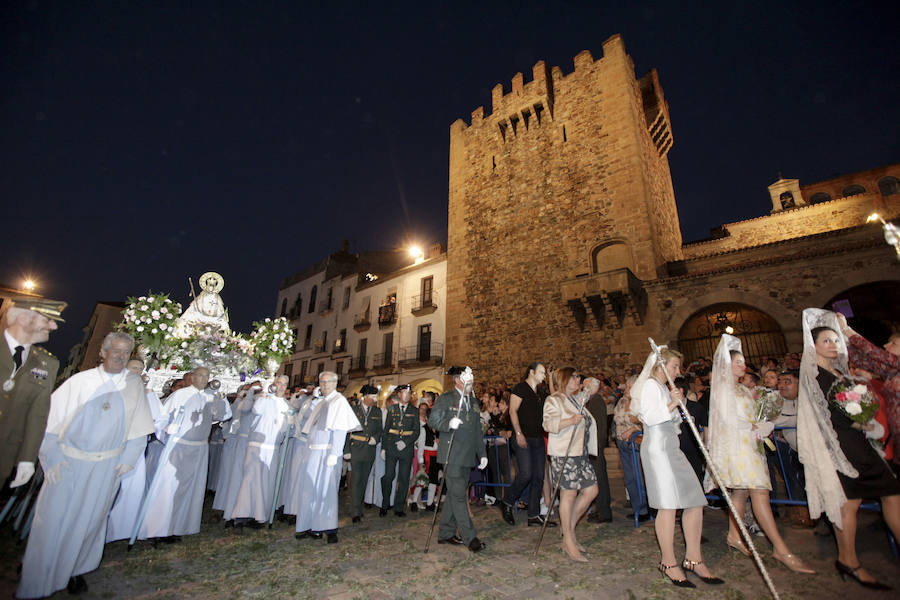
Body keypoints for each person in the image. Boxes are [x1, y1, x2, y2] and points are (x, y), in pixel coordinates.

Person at [18, 332, 153, 598]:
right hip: (70, 463)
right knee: (53, 520)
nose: (120, 356)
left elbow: (139, 430)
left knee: (90, 520)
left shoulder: (133, 385)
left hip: (107, 467)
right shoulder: (80, 382)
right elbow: (49, 424)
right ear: (102, 352)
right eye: (115, 350)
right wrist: (53, 458)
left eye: (126, 352)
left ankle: (74, 569)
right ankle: (39, 573)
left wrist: (128, 459)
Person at [798, 309, 900, 590]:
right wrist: (858, 423)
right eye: (826, 341)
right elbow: (827, 412)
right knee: (849, 503)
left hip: (861, 442)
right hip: (842, 444)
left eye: (835, 340)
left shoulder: (841, 373)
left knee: (892, 492)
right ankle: (849, 559)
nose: (833, 345)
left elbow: (854, 403)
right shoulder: (815, 374)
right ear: (814, 346)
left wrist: (867, 420)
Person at [705, 334, 813, 574]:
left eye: (743, 361)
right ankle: (781, 549)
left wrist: (766, 422)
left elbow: (753, 414)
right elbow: (726, 421)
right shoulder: (722, 390)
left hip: (752, 446)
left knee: (742, 493)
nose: (743, 366)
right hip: (740, 447)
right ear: (726, 365)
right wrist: (754, 427)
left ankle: (734, 535)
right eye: (737, 362)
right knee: (760, 494)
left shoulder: (744, 389)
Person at [632, 346, 721, 588]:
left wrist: (682, 414)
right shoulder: (650, 385)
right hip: (658, 449)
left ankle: (694, 558)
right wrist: (673, 404)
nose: (677, 371)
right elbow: (649, 417)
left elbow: (671, 419)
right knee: (668, 505)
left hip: (672, 446)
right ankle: (668, 562)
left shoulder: (663, 388)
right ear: (660, 365)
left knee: (694, 500)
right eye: (674, 366)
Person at [140, 367, 232, 541]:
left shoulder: (210, 396)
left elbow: (223, 415)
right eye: (200, 375)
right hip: (178, 447)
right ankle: (158, 529)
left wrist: (221, 399)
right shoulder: (180, 395)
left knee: (190, 489)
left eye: (207, 376)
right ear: (193, 377)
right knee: (168, 487)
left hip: (199, 449)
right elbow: (162, 417)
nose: (204, 379)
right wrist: (166, 430)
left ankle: (178, 526)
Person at [1, 297, 65, 489]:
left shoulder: (47, 363)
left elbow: (37, 415)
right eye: (47, 320)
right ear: (22, 318)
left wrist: (27, 459)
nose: (53, 326)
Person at [294, 371, 360, 544]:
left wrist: (335, 453)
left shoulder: (339, 401)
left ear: (334, 383)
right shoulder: (321, 401)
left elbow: (339, 431)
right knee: (311, 490)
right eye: (321, 382)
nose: (323, 385)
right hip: (313, 452)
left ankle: (328, 527)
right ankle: (310, 524)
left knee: (326, 492)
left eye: (327, 382)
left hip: (327, 453)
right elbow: (310, 427)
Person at [106, 358, 167, 542]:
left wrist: (148, 392)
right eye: (134, 368)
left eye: (140, 369)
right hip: (110, 445)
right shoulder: (112, 386)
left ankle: (122, 530)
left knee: (131, 490)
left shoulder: (146, 392)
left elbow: (157, 417)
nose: (138, 372)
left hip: (135, 447)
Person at [542, 369, 600, 562]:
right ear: (565, 380)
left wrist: (590, 385)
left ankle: (568, 530)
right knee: (568, 495)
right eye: (575, 377)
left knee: (592, 490)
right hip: (564, 455)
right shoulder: (554, 400)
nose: (578, 380)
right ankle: (568, 539)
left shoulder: (576, 398)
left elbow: (594, 384)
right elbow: (548, 424)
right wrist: (569, 421)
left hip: (580, 454)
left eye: (578, 377)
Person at [428, 366, 487, 552]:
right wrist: (448, 424)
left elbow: (477, 431)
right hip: (451, 455)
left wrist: (482, 454)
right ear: (458, 380)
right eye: (468, 377)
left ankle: (445, 532)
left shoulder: (474, 402)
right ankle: (470, 538)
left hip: (467, 456)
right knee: (460, 496)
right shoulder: (446, 399)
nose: (472, 381)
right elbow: (432, 421)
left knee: (455, 495)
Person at [231, 375, 291, 528]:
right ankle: (243, 515)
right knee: (250, 480)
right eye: (279, 383)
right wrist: (265, 395)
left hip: (274, 448)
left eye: (285, 384)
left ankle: (260, 515)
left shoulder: (287, 405)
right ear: (274, 384)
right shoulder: (264, 399)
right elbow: (256, 410)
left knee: (268, 483)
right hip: (257, 445)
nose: (281, 387)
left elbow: (288, 427)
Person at [501, 362, 555, 527]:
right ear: (532, 372)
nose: (544, 375)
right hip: (522, 437)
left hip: (538, 438)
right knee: (526, 473)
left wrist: (552, 377)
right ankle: (507, 501)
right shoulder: (520, 388)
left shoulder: (540, 392)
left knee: (539, 476)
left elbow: (554, 398)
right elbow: (512, 410)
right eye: (542, 372)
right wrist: (518, 433)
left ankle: (533, 514)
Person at [841, 322, 899, 466]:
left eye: (893, 343)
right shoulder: (893, 371)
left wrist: (847, 330)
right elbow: (862, 361)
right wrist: (843, 340)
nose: (886, 345)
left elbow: (874, 352)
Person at [613, 375, 650, 522]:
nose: (626, 389)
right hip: (622, 443)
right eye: (627, 387)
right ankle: (637, 508)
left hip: (637, 443)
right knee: (629, 477)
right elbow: (617, 419)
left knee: (639, 476)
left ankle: (647, 508)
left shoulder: (641, 403)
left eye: (630, 387)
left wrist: (634, 428)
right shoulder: (622, 401)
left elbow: (646, 422)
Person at [380, 383, 420, 517]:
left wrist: (406, 442)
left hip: (406, 449)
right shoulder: (392, 409)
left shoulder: (414, 411)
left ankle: (399, 507)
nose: (407, 396)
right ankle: (385, 504)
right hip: (392, 446)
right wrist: (384, 448)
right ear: (399, 394)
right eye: (405, 393)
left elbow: (416, 432)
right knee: (388, 476)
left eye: (409, 393)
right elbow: (386, 431)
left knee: (403, 479)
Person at [344, 384, 382, 523]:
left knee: (364, 480)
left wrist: (376, 439)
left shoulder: (376, 412)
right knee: (356, 480)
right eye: (373, 397)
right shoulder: (353, 410)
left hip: (369, 449)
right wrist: (346, 450)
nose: (376, 399)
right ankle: (354, 511)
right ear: (365, 397)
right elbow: (346, 431)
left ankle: (358, 508)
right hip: (355, 448)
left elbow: (379, 430)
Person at [584, 376, 613, 524]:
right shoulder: (592, 400)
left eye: (584, 385)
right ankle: (600, 509)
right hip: (594, 444)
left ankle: (604, 512)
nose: (582, 388)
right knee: (596, 478)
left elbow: (596, 426)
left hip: (596, 445)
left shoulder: (595, 401)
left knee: (600, 477)